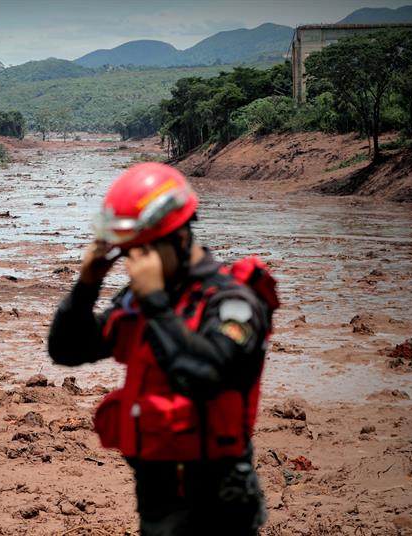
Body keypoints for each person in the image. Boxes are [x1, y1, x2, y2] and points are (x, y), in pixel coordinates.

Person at [48, 162, 276, 535]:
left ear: (180, 237)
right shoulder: (141, 301)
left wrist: (155, 301)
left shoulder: (234, 302)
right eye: (128, 253)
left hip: (218, 501)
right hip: (156, 492)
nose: (134, 264)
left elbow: (203, 375)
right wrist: (86, 285)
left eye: (143, 251)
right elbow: (67, 349)